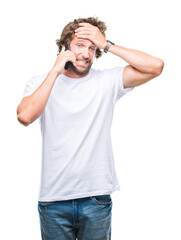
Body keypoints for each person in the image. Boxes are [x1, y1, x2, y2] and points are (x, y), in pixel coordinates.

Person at [17, 17, 164, 240]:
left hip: (96, 198)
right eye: (79, 45)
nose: (86, 54)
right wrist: (55, 71)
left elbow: (156, 66)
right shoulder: (41, 82)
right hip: (53, 200)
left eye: (92, 48)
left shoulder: (107, 81)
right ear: (64, 46)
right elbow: (25, 116)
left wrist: (107, 44)